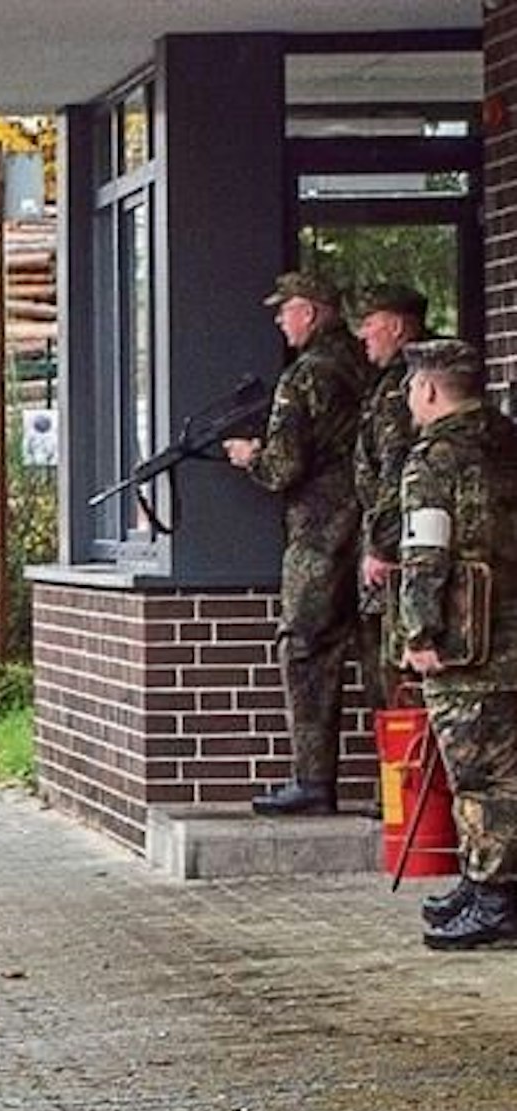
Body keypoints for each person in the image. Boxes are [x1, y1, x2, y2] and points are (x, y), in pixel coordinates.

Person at [224, 271, 376, 815]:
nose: (278, 319)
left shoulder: (305, 375)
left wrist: (249, 458)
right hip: (373, 527)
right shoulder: (369, 366)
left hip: (319, 533)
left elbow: (284, 468)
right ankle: (395, 785)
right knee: (377, 647)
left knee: (306, 649)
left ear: (309, 313)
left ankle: (313, 782)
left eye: (284, 309)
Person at [393, 339, 517, 950]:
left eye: (412, 387)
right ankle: (481, 879)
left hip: (468, 643)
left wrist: (419, 633)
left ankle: (494, 898)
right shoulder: (506, 440)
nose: (409, 398)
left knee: (479, 773)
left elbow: (425, 554)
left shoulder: (435, 460)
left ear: (431, 391)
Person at [352, 284, 428, 724]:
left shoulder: (404, 388)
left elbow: (397, 471)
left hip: (401, 556)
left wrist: (381, 546)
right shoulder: (390, 382)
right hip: (396, 547)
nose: (362, 334)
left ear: (397, 326)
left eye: (370, 322)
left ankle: (408, 789)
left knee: (397, 680)